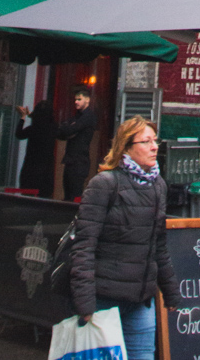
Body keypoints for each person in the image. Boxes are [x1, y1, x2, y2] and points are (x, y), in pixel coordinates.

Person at [69, 115, 178, 360]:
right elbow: (84, 246)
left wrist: (170, 292)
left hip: (141, 300)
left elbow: (158, 245)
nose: (154, 147)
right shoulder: (104, 184)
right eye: (146, 141)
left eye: (155, 140)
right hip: (104, 299)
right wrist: (85, 303)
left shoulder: (158, 185)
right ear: (126, 147)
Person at [57, 87, 97, 201]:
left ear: (87, 100)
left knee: (75, 195)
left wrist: (70, 129)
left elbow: (70, 130)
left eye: (79, 99)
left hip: (79, 161)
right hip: (71, 159)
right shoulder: (77, 116)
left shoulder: (88, 116)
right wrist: (69, 129)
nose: (76, 102)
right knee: (68, 193)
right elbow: (62, 131)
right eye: (75, 99)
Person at [15, 99, 58, 199]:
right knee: (44, 197)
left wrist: (23, 117)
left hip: (31, 167)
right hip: (46, 169)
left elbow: (19, 134)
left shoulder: (33, 129)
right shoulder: (53, 129)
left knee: (28, 196)